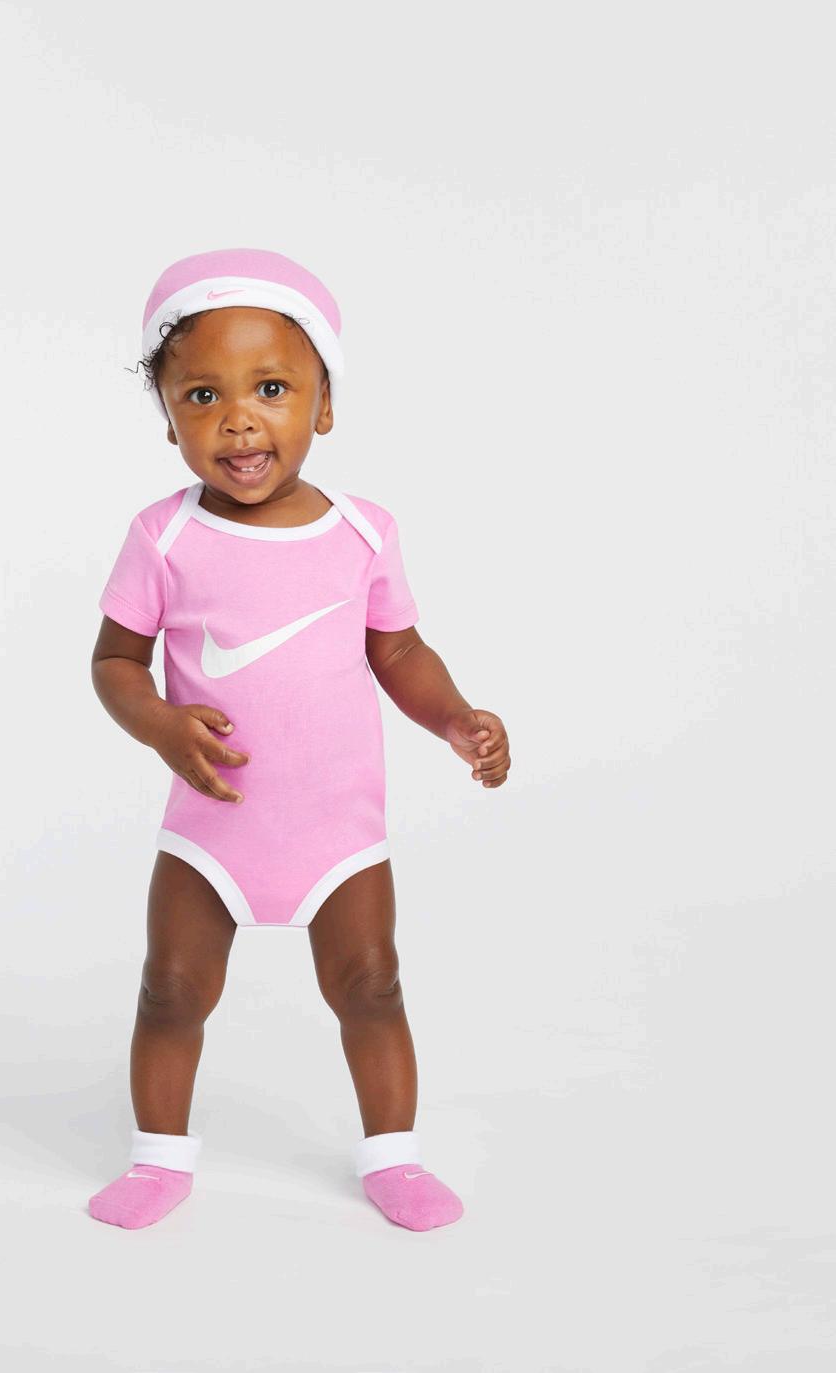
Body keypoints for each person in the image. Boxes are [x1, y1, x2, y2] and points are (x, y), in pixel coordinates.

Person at [87, 248, 511, 1230]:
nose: (239, 419)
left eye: (271, 388)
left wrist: (455, 718)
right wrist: (158, 723)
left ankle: (394, 1156)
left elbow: (398, 650)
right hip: (212, 829)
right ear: (169, 420)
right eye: (203, 395)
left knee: (372, 984)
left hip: (337, 831)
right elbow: (114, 662)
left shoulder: (362, 533)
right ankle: (158, 1158)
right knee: (171, 989)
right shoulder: (164, 537)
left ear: (324, 405)